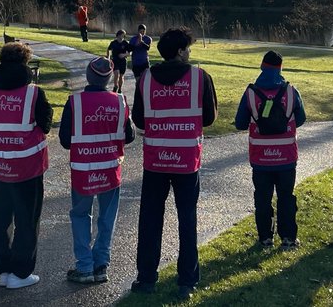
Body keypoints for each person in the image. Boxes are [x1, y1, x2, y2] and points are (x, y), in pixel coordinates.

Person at [131, 28, 218, 300]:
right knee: (187, 219)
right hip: (186, 161)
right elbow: (209, 118)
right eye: (188, 48)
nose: (190, 52)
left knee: (150, 220)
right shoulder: (199, 77)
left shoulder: (145, 79)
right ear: (180, 51)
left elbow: (140, 120)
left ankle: (146, 279)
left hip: (156, 160)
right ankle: (187, 282)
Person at [0, 42, 52, 289]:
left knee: (0, 220)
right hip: (27, 166)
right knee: (27, 220)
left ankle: (3, 271)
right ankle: (21, 273)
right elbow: (45, 124)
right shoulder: (34, 93)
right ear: (25, 63)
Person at [60, 57, 135, 285]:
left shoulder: (75, 102)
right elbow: (130, 136)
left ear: (88, 76)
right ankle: (101, 265)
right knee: (107, 217)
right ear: (109, 79)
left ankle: (84, 267)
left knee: (81, 215)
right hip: (111, 170)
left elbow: (64, 140)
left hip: (83, 170)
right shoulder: (120, 101)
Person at [233, 51, 307, 249]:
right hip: (287, 157)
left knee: (263, 198)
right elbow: (301, 119)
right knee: (286, 197)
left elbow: (240, 123)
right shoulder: (291, 91)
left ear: (262, 67)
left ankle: (266, 237)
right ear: (280, 68)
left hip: (260, 158)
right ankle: (289, 238)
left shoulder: (250, 93)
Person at [107, 30, 131, 94]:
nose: (122, 36)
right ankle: (115, 86)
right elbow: (108, 49)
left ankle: (120, 88)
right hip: (115, 60)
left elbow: (129, 53)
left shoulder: (125, 43)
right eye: (121, 35)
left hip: (123, 61)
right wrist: (108, 58)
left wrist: (124, 55)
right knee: (116, 74)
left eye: (123, 35)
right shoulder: (113, 43)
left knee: (121, 76)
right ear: (118, 35)